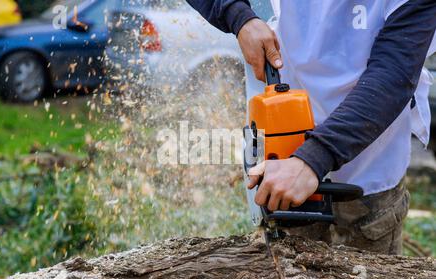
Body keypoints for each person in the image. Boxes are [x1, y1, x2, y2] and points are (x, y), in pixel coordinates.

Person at [186, 0, 436, 254]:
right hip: (280, 152)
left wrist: (314, 158)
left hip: (369, 162)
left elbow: (393, 75)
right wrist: (239, 17)